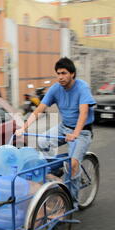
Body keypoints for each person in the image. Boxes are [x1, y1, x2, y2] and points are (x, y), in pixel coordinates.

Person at [15, 57, 96, 206]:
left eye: (64, 73)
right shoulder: (56, 88)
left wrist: (76, 134)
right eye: (58, 73)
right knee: (42, 141)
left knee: (72, 165)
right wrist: (24, 128)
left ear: (72, 74)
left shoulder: (82, 87)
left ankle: (72, 202)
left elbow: (83, 113)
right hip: (63, 127)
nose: (60, 77)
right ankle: (55, 169)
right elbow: (40, 109)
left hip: (82, 131)